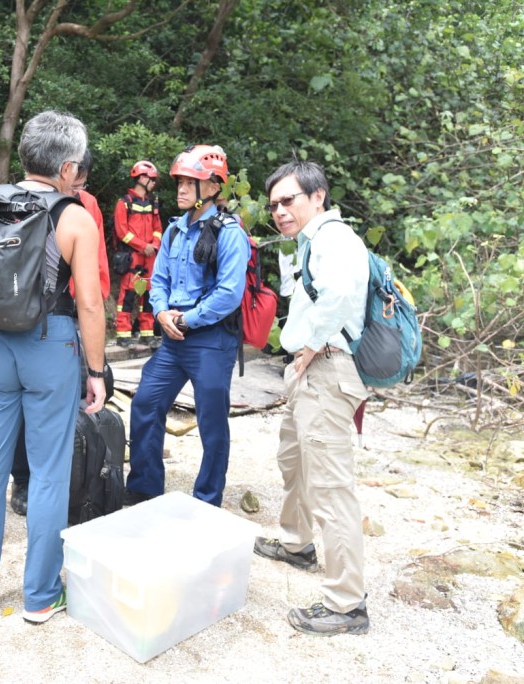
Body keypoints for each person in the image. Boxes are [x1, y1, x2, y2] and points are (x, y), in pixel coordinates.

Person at [0, 110, 107, 624]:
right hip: (50, 344)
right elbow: (89, 303)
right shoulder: (75, 218)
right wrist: (96, 371)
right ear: (67, 168)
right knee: (48, 472)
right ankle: (39, 596)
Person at [253, 160, 371, 636]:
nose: (280, 211)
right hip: (310, 371)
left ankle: (347, 604)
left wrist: (310, 346)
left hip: (326, 368)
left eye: (289, 200)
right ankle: (296, 543)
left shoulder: (333, 238)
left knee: (330, 487)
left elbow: (338, 296)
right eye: (274, 205)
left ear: (317, 196)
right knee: (295, 461)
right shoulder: (308, 242)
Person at [125, 145, 248, 508]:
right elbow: (159, 280)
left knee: (212, 422)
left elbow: (229, 293)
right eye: (179, 181)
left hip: (211, 339)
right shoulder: (174, 231)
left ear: (212, 186)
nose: (180, 188)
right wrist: (161, 313)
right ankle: (144, 487)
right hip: (173, 339)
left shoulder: (229, 233)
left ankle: (207, 500)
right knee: (146, 403)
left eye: (189, 182)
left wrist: (187, 319)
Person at [8, 148, 109, 517]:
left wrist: (87, 321)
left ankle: (72, 479)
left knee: (68, 404)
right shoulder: (18, 200)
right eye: (73, 181)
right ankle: (23, 479)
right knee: (22, 406)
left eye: (81, 184)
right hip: (27, 315)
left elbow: (97, 271)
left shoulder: (86, 207)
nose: (75, 188)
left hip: (68, 318)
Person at [113, 160, 162, 348]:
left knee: (148, 296)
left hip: (150, 257)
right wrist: (143, 246)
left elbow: (158, 228)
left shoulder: (152, 203)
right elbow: (122, 232)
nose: (154, 183)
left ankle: (147, 333)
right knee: (128, 296)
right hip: (132, 256)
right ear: (142, 178)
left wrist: (154, 245)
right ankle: (123, 335)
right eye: (152, 179)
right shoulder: (124, 203)